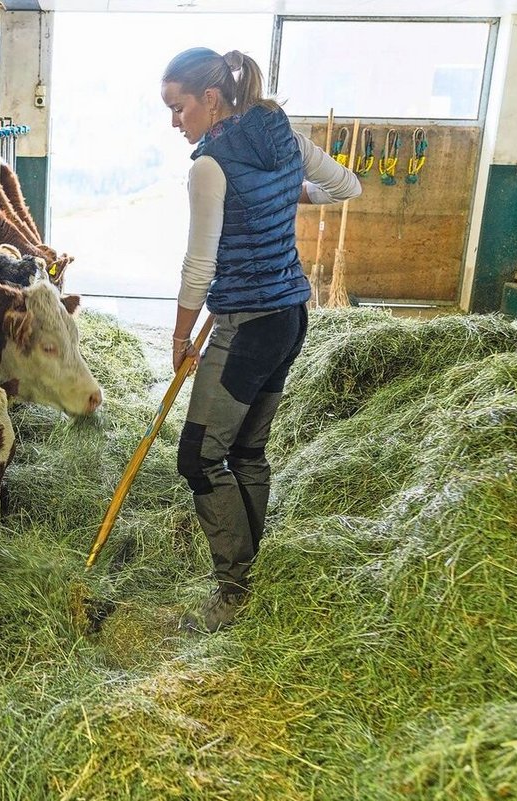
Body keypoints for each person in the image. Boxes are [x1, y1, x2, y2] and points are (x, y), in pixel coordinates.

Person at [162, 48, 361, 632]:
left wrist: (180, 333)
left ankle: (235, 590)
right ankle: (255, 573)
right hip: (290, 317)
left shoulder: (209, 166)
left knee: (199, 457)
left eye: (179, 108)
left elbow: (199, 265)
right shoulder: (285, 140)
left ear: (211, 100)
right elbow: (346, 185)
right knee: (246, 451)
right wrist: (289, 193)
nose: (176, 122)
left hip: (247, 324)